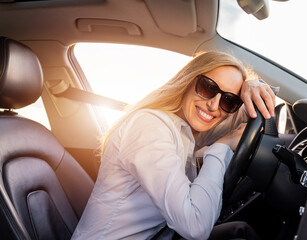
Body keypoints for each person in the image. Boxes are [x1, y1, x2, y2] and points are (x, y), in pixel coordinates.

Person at [72, 51, 276, 240]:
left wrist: (252, 83)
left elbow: (252, 115)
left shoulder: (188, 132)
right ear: (188, 80)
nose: (214, 105)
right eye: (208, 87)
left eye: (229, 101)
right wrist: (220, 147)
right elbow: (195, 226)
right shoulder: (150, 127)